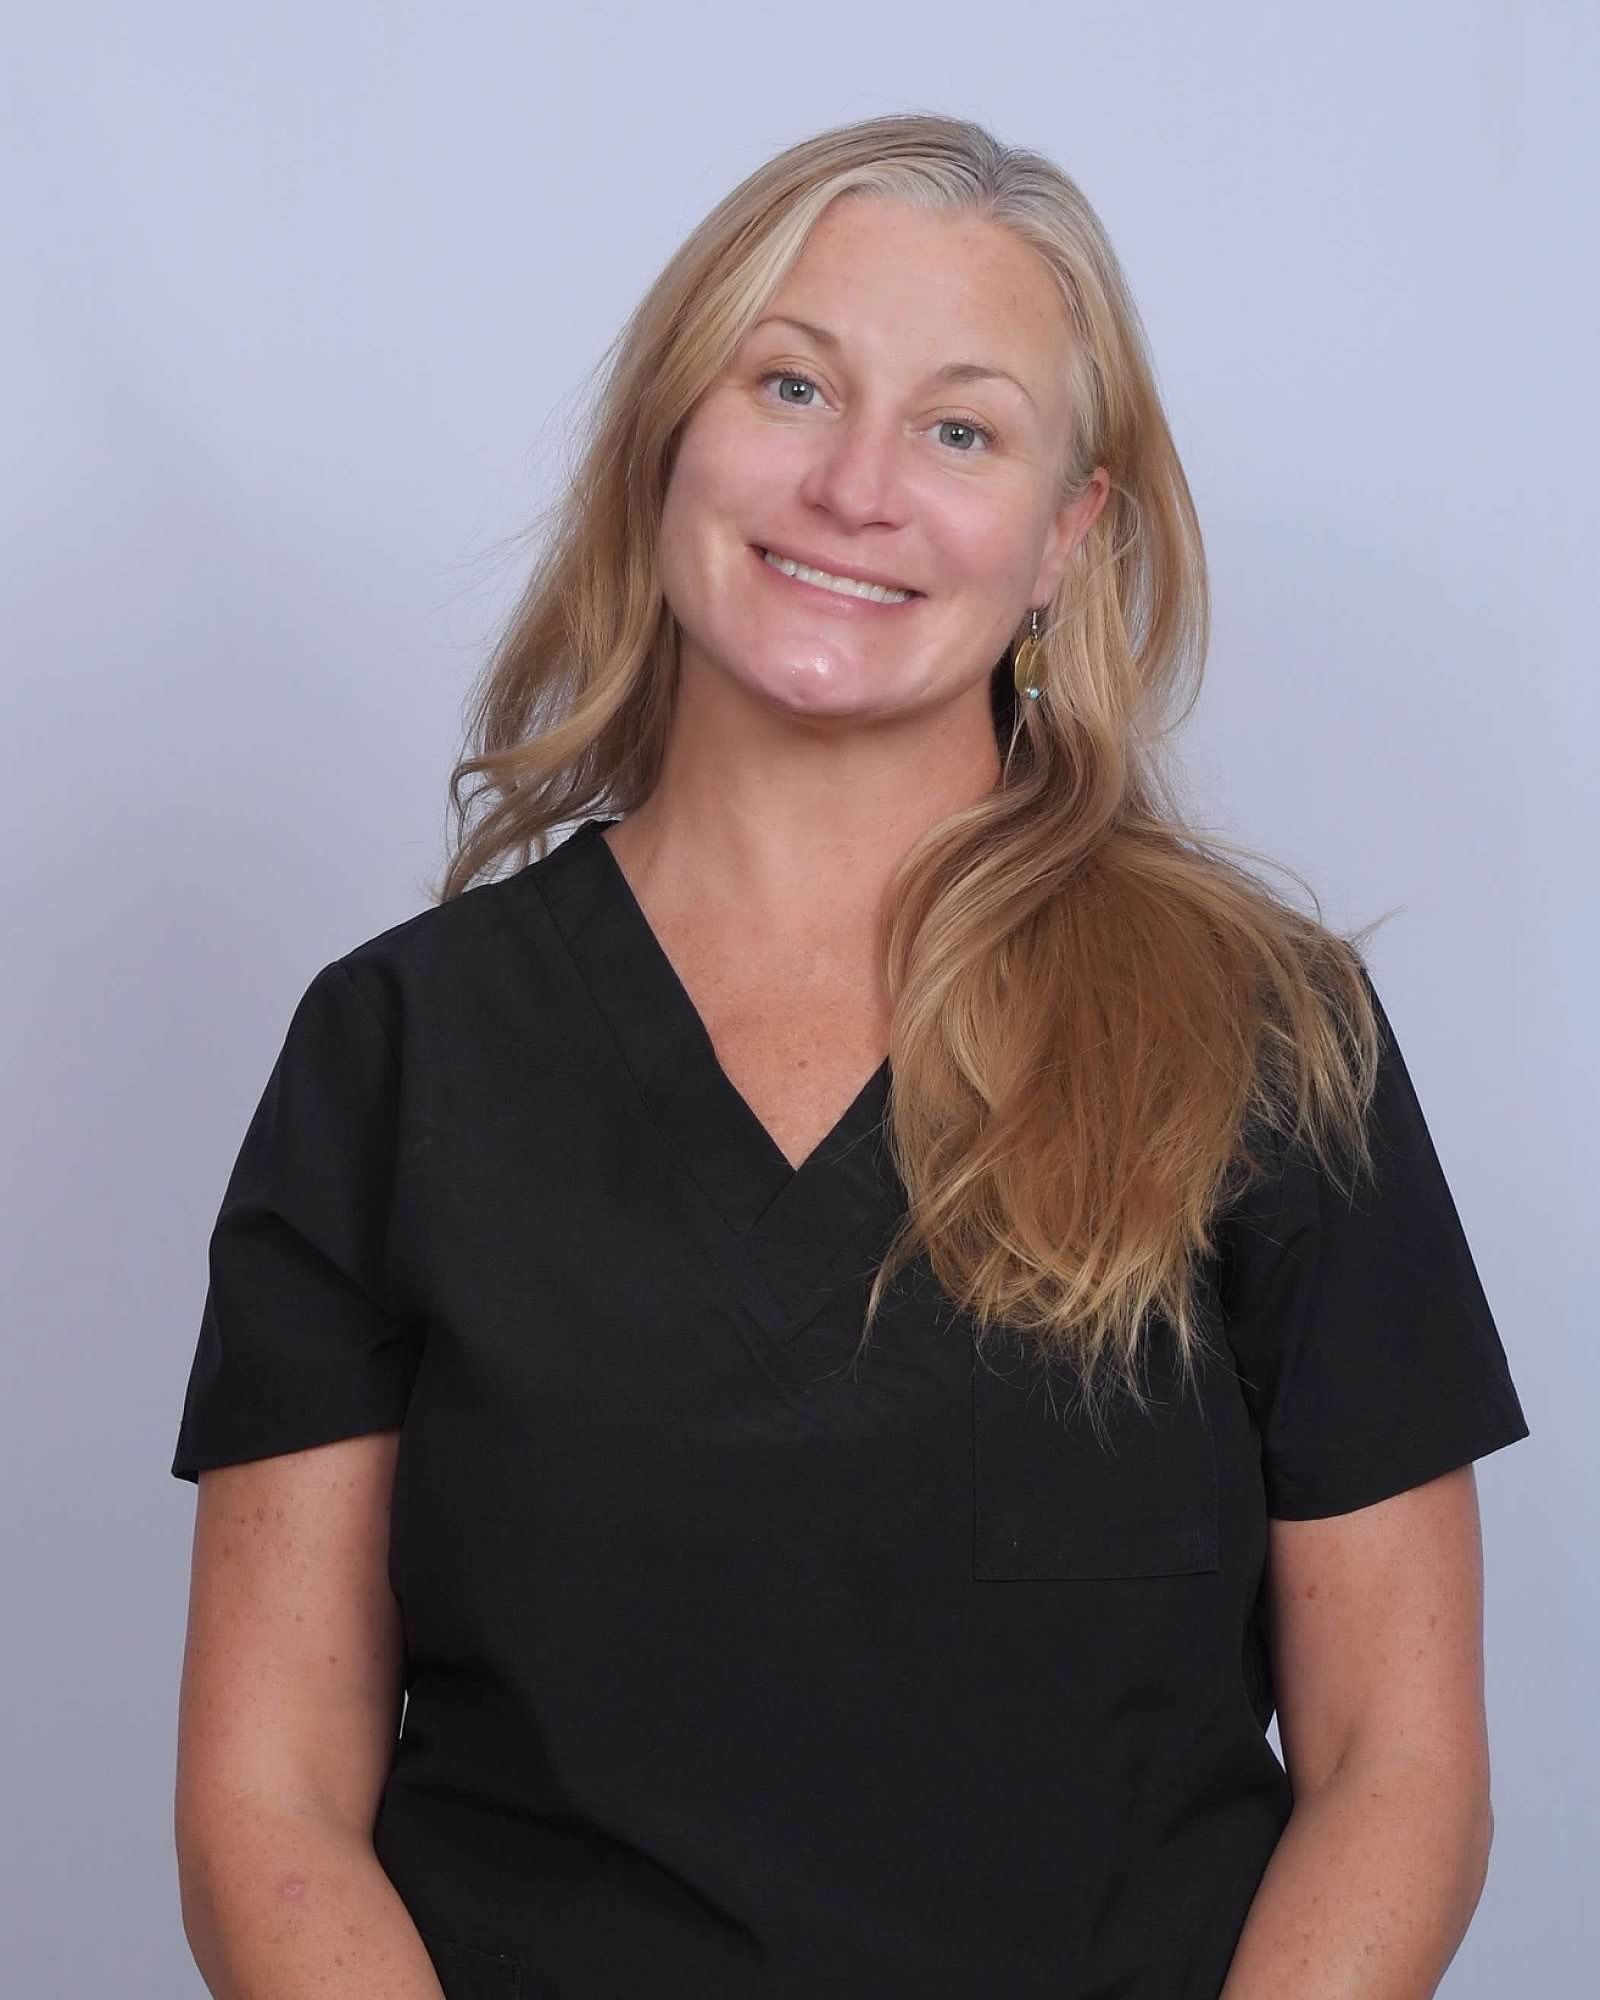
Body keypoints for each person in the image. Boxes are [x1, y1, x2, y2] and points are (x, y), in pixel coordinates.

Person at [169, 111, 1530, 2000]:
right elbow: (268, 1802)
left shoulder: (1264, 1042)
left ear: (1069, 536)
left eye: (961, 429)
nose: (857, 486)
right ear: (668, 443)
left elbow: (1402, 1772)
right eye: (793, 385)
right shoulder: (396, 1052)